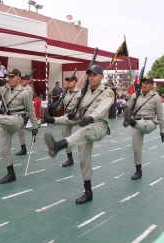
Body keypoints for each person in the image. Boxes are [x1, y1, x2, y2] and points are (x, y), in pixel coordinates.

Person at [43, 65, 114, 204]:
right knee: (84, 160)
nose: (91, 77)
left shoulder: (108, 92)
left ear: (102, 76)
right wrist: (52, 119)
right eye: (90, 75)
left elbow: (102, 108)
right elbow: (75, 117)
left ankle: (59, 145)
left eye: (95, 74)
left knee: (83, 131)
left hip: (99, 126)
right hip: (84, 126)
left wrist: (91, 117)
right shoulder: (84, 93)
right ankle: (88, 192)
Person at [123, 77, 164, 180]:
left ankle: (132, 122)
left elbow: (160, 115)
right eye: (143, 83)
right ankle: (138, 170)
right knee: (136, 148)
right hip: (136, 122)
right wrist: (130, 103)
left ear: (151, 85)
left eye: (147, 83)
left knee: (141, 124)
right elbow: (128, 109)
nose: (144, 85)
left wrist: (162, 130)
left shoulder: (156, 97)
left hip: (149, 122)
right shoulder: (135, 96)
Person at [41, 75, 81, 167]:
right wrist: (54, 106)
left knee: (82, 138)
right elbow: (59, 106)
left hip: (78, 116)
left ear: (75, 82)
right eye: (67, 81)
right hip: (67, 116)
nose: (68, 82)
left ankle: (49, 120)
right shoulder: (64, 93)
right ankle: (69, 159)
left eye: (71, 81)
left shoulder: (80, 93)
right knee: (66, 136)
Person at [14, 73, 34, 156]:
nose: (22, 80)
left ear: (28, 81)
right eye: (22, 79)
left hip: (24, 113)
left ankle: (23, 148)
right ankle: (23, 148)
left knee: (20, 131)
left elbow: (27, 104)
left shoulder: (29, 90)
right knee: (20, 131)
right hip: (18, 112)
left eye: (25, 79)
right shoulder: (20, 88)